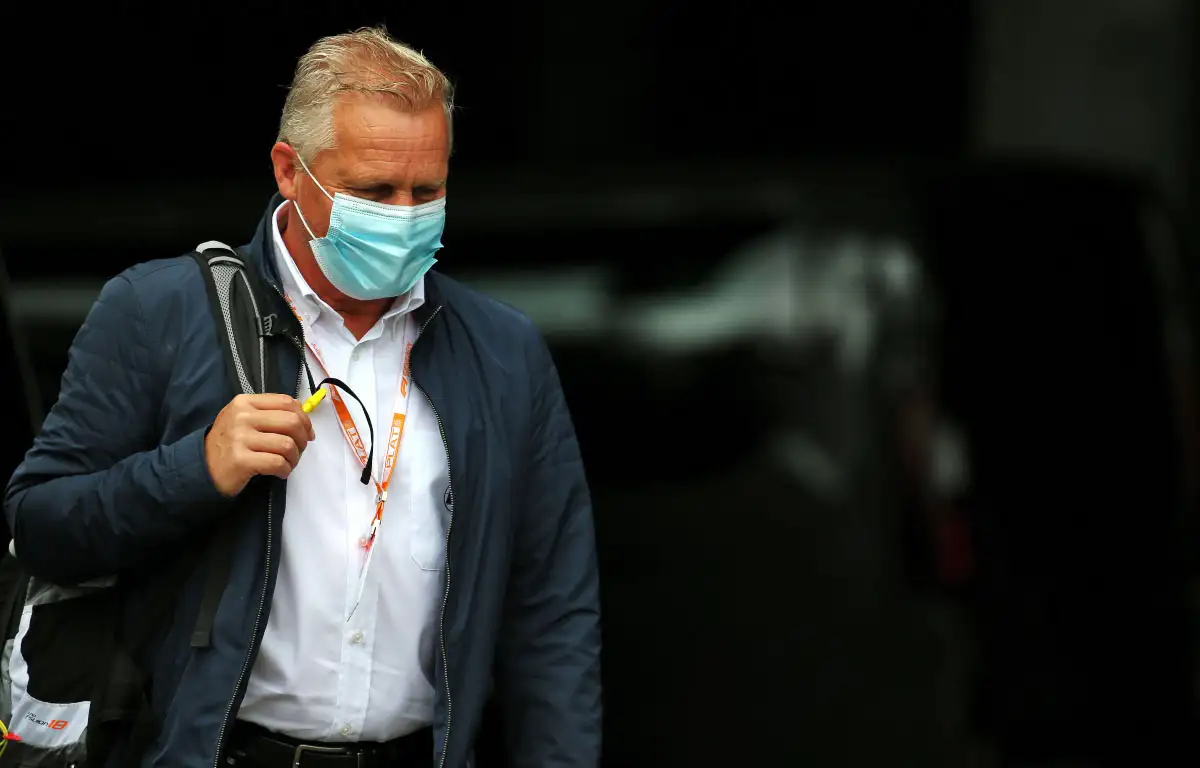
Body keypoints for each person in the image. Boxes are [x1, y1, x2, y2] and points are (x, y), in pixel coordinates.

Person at [3, 26, 600, 768]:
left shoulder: (503, 351)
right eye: (374, 190)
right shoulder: (157, 311)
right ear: (290, 171)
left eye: (429, 189)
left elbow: (551, 611)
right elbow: (40, 525)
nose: (405, 213)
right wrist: (195, 469)